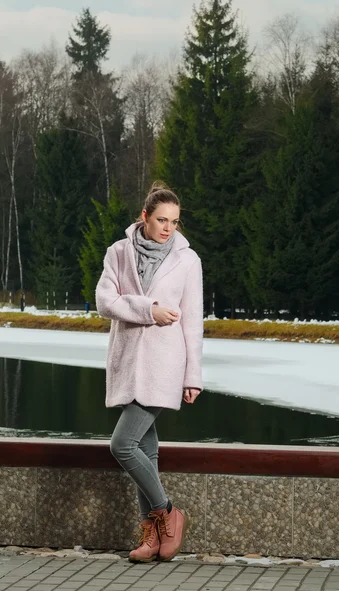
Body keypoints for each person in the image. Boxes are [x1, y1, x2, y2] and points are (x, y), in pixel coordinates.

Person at [95, 181, 203, 563]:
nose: (168, 228)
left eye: (174, 221)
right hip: (127, 362)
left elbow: (192, 321)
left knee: (121, 445)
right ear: (144, 216)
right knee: (145, 450)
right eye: (161, 219)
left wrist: (193, 376)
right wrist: (148, 310)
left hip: (164, 365)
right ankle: (152, 537)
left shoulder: (188, 260)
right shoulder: (119, 253)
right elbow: (104, 301)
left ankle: (169, 512)